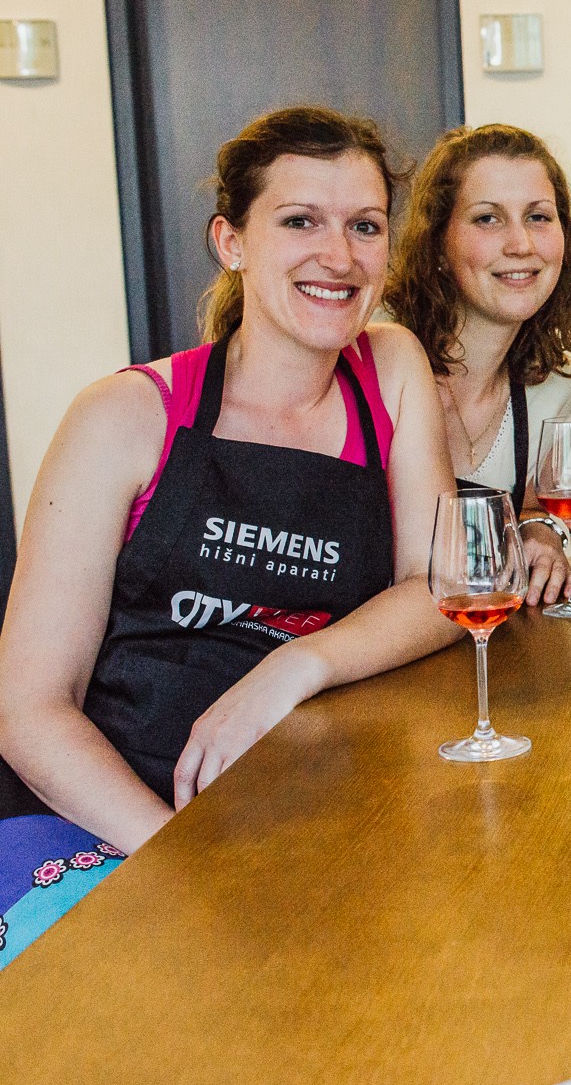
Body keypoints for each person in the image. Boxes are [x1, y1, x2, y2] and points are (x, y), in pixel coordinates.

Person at [0, 108, 459, 965]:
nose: (339, 255)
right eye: (300, 221)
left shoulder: (390, 369)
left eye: (365, 226)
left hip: (306, 813)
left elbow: (439, 585)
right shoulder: (125, 415)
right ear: (231, 241)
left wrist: (292, 666)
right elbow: (27, 710)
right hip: (110, 819)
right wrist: (180, 860)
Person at [385, 123, 571, 606]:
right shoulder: (378, 355)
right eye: (488, 219)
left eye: (538, 217)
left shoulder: (556, 388)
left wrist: (541, 533)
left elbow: (532, 506)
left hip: (472, 636)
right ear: (438, 246)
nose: (521, 244)